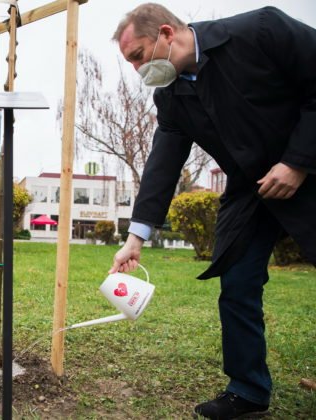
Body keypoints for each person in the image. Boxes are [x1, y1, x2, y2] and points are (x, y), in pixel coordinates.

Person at [110, 3, 315, 419]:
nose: (137, 70)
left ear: (167, 33)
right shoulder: (171, 96)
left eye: (138, 56)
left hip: (310, 164)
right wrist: (136, 237)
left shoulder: (261, 30)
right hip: (251, 189)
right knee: (237, 282)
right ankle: (248, 390)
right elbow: (162, 164)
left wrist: (297, 162)